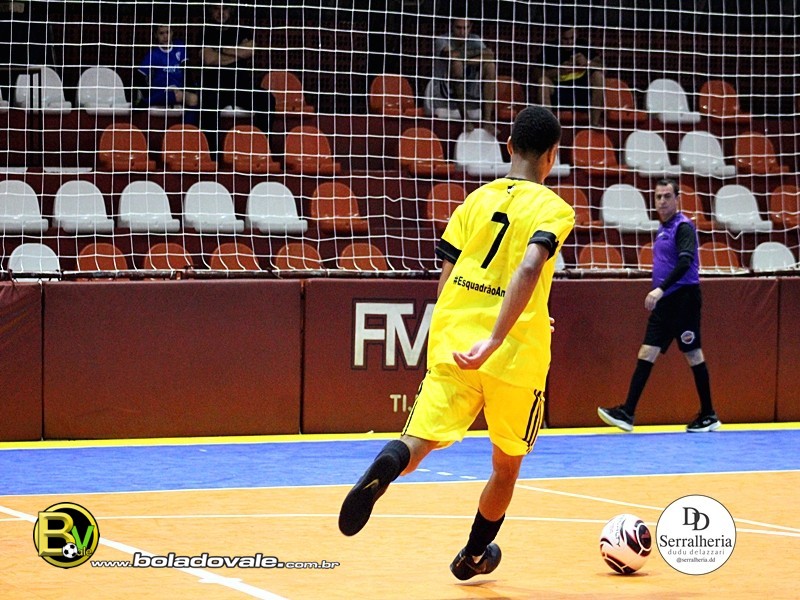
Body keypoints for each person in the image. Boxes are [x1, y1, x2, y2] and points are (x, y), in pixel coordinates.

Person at [338, 106, 575, 581]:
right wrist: (499, 335)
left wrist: (462, 328)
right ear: (552, 155)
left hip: (454, 340)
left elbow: (447, 277)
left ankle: (389, 462)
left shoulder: (474, 201)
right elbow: (529, 267)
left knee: (418, 440)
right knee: (506, 465)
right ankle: (473, 555)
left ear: (509, 146)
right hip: (514, 354)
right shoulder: (553, 208)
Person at [597, 178, 722, 433]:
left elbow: (685, 262)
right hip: (665, 304)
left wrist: (660, 289)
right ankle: (628, 412)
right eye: (658, 197)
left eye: (667, 196)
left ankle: (709, 414)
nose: (662, 201)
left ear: (677, 199)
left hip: (684, 299)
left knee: (693, 353)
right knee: (647, 352)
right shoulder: (663, 228)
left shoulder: (683, 227)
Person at [199, 2, 274, 153]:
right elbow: (209, 59)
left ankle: (261, 149)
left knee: (267, 99)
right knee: (207, 103)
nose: (221, 13)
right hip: (216, 87)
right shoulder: (206, 32)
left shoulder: (241, 30)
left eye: (225, 8)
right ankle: (213, 156)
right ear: (211, 11)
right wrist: (238, 53)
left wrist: (221, 49)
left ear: (231, 10)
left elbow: (250, 51)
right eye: (217, 9)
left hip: (240, 86)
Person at [432, 17, 497, 133]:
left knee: (490, 66)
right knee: (457, 65)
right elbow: (452, 55)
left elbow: (489, 55)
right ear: (452, 27)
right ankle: (465, 120)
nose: (462, 32)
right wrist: (476, 55)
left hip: (471, 91)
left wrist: (465, 61)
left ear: (470, 27)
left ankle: (487, 121)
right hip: (446, 93)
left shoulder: (475, 39)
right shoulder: (442, 40)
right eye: (459, 28)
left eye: (466, 28)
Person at [538, 26, 604, 127]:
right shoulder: (550, 49)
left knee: (598, 76)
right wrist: (559, 70)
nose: (569, 42)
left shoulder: (583, 45)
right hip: (559, 93)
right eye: (565, 39)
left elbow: (603, 67)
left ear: (576, 35)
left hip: (581, 93)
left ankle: (594, 124)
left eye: (572, 38)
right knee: (543, 82)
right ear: (559, 37)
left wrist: (587, 63)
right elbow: (536, 75)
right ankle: (548, 126)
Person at [137, 23, 199, 113]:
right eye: (161, 33)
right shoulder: (153, 54)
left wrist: (190, 90)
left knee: (195, 99)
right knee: (182, 96)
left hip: (179, 91)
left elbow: (187, 71)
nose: (165, 36)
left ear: (172, 33)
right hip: (161, 93)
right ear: (156, 35)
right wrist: (148, 94)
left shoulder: (179, 47)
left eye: (168, 32)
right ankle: (147, 101)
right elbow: (139, 77)